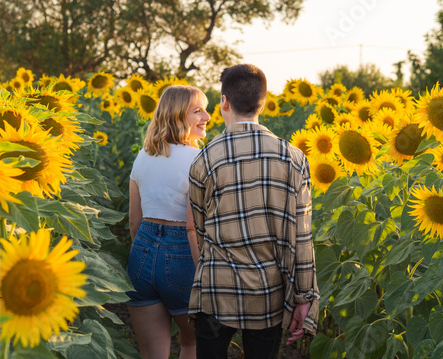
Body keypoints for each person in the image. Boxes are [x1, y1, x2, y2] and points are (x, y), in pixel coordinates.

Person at [187, 64, 320, 359]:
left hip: (216, 290)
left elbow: (200, 228)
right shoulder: (293, 158)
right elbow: (302, 237)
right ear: (263, 100)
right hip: (267, 294)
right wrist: (305, 297)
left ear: (224, 102)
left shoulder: (204, 160)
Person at [127, 85, 210, 359]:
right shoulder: (199, 160)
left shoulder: (142, 156)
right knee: (192, 345)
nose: (207, 117)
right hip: (183, 256)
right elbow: (195, 227)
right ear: (176, 115)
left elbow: (134, 220)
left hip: (141, 252)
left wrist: (145, 249)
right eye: (197, 111)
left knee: (152, 355)